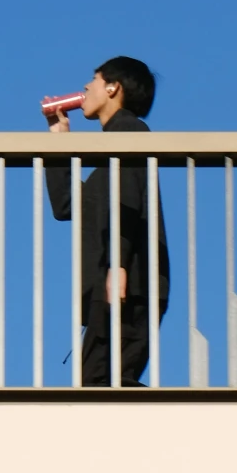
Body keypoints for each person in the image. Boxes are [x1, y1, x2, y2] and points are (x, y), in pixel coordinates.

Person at [43, 55, 170, 386]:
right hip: (116, 281)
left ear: (113, 88)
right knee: (101, 381)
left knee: (103, 383)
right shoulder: (108, 155)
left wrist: (118, 265)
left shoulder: (130, 130)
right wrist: (58, 142)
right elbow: (66, 205)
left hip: (128, 281)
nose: (85, 87)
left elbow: (128, 198)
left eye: (94, 80)